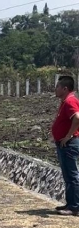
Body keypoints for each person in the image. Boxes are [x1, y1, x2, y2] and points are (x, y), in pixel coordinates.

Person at [51, 75, 79, 216]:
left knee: (72, 175)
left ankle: (75, 207)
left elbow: (77, 118)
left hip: (69, 144)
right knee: (68, 175)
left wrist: (68, 136)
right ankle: (70, 204)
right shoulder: (65, 101)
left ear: (65, 88)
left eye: (57, 87)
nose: (55, 89)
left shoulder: (70, 101)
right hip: (65, 143)